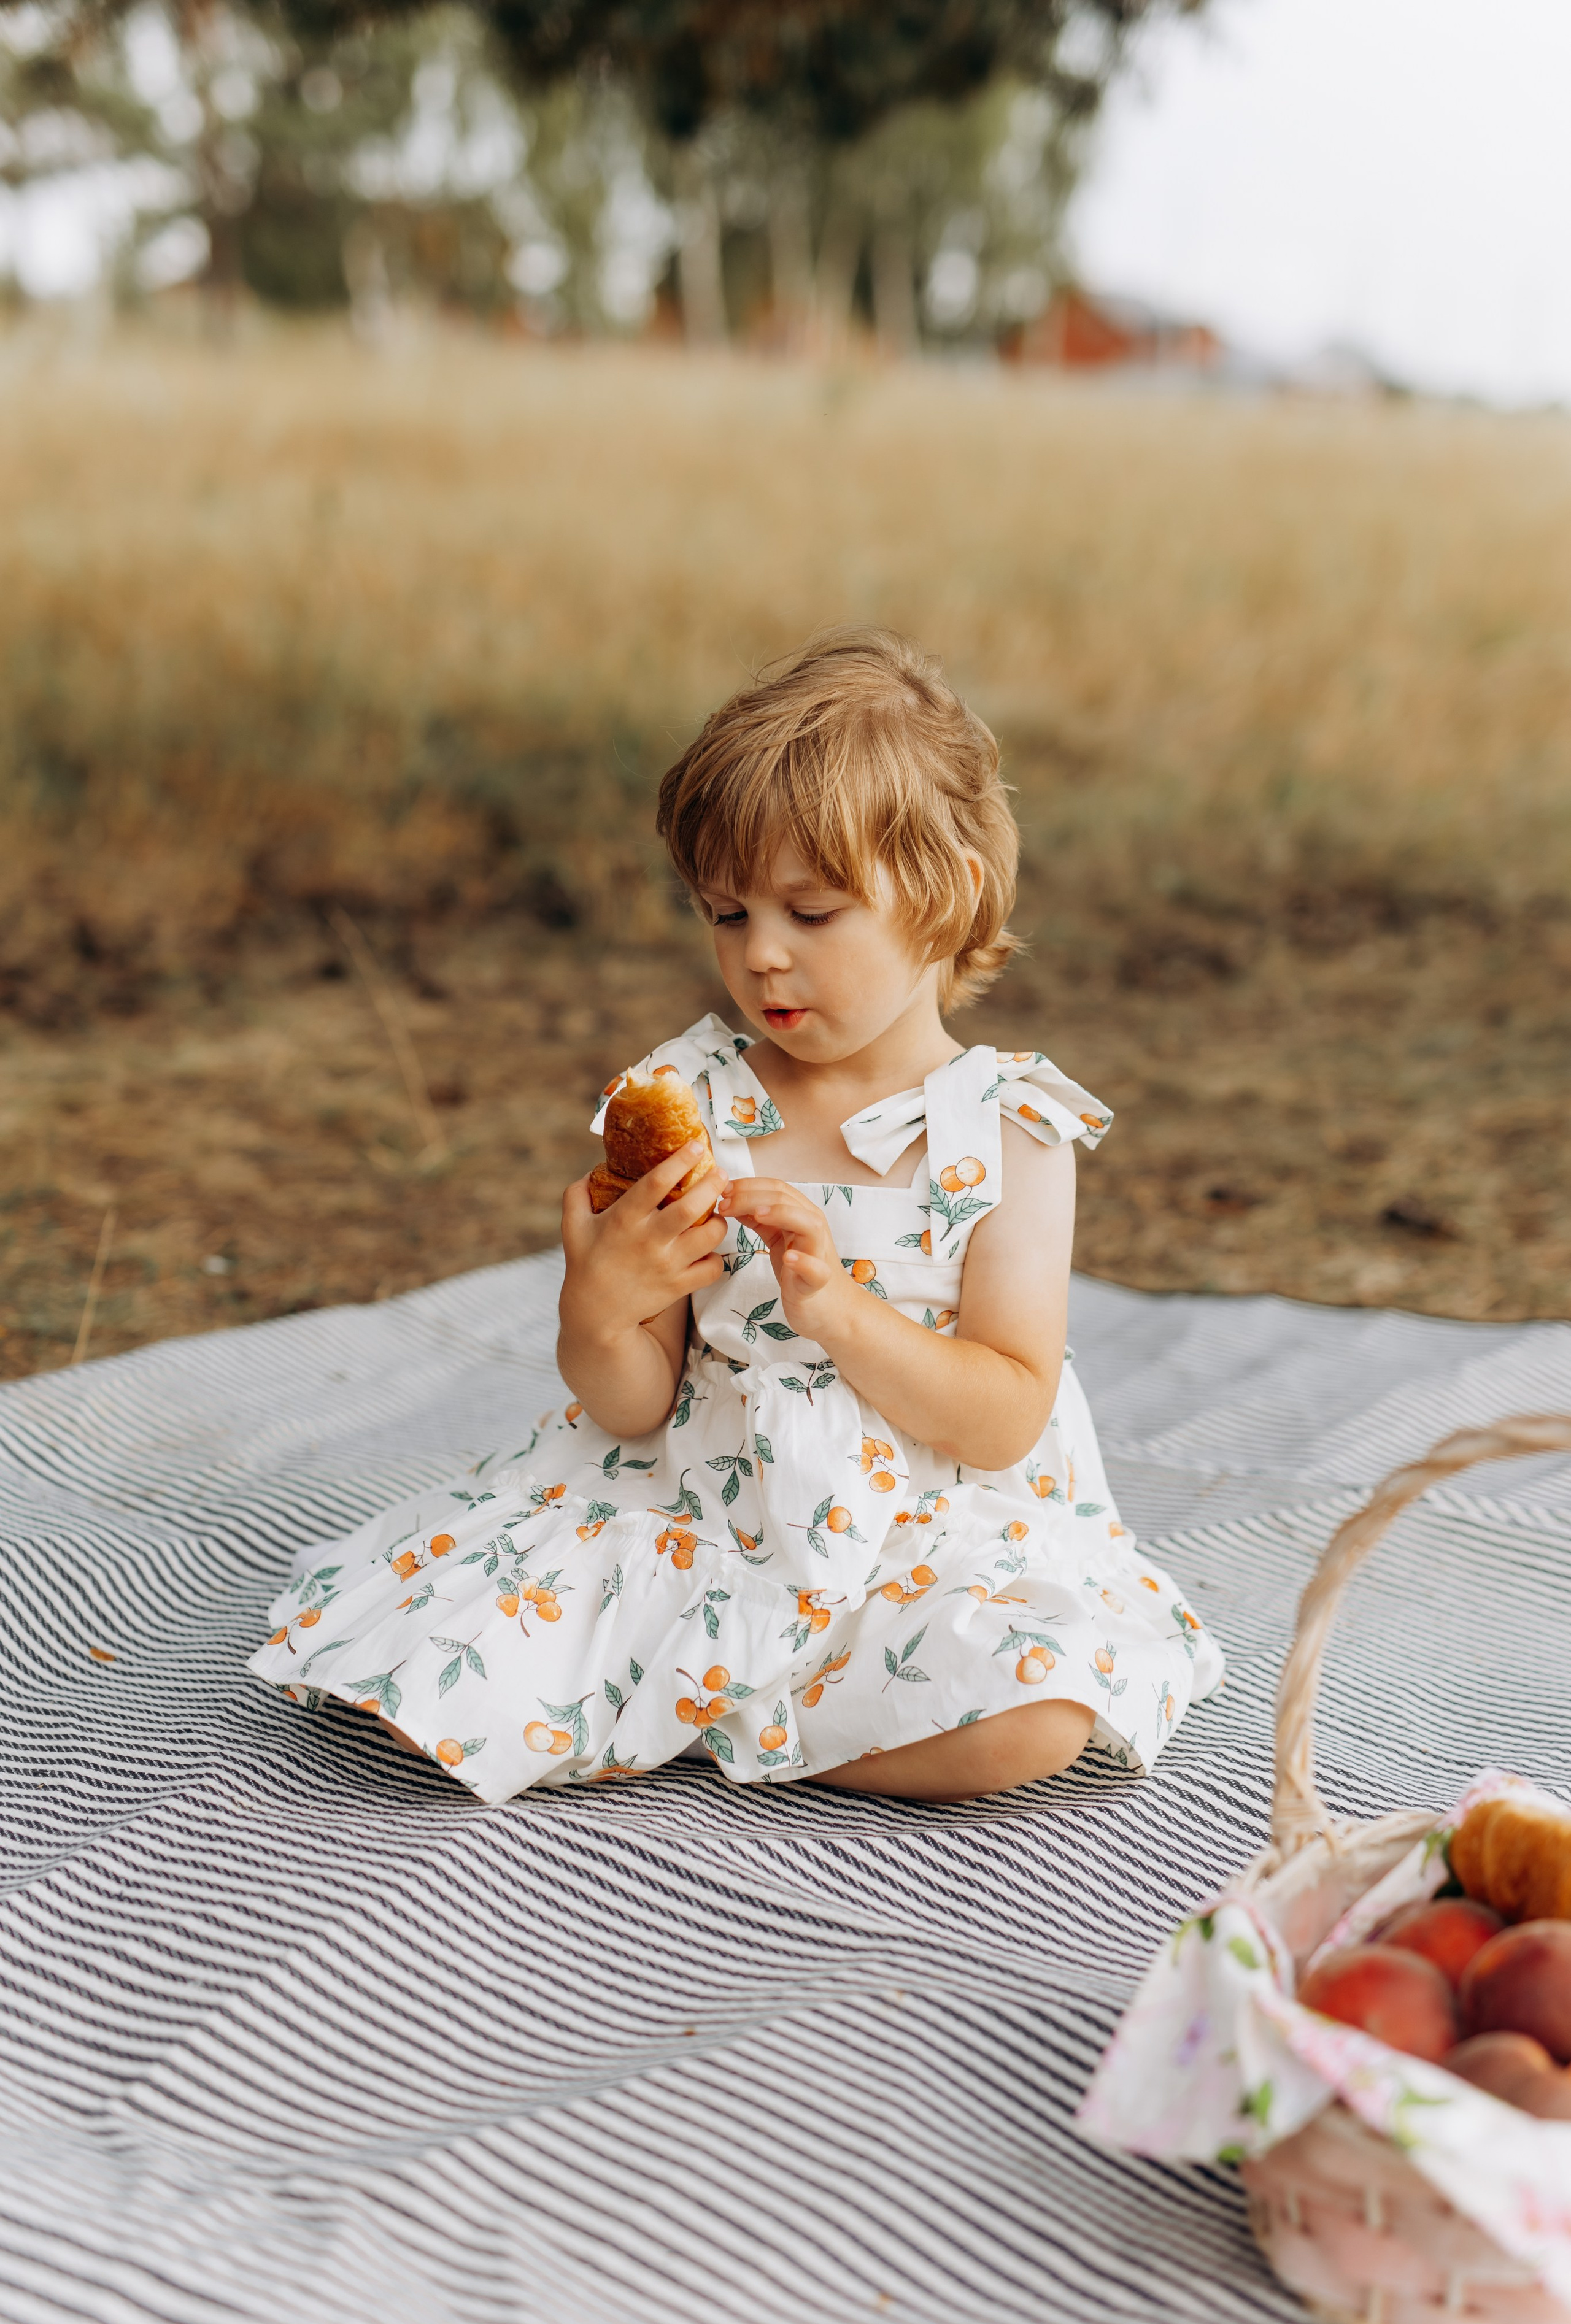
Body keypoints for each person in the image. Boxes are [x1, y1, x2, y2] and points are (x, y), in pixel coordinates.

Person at [251, 628, 1223, 1802]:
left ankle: (724, 1709)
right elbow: (634, 1403)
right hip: (701, 1509)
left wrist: (841, 1313)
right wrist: (600, 1308)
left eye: (812, 913)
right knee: (436, 1684)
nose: (761, 956)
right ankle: (721, 1687)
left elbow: (1006, 1416)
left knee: (1034, 1717)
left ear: (951, 898)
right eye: (725, 913)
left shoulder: (1008, 1133)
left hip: (924, 1532)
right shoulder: (691, 1100)